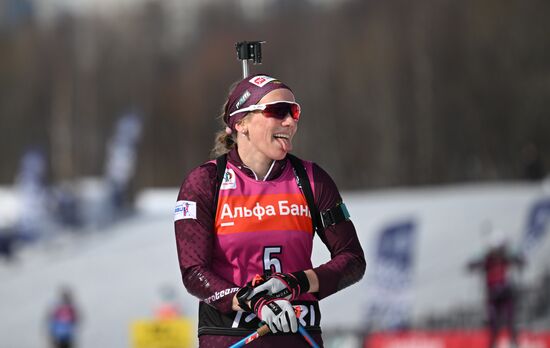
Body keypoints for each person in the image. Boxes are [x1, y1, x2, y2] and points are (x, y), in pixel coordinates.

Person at [174, 73, 366, 347]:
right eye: (277, 111)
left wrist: (295, 282)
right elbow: (194, 271)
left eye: (294, 111)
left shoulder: (312, 180)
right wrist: (254, 301)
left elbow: (352, 260)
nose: (290, 121)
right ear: (241, 122)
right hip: (231, 337)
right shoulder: (205, 182)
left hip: (298, 335)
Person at [467, 227, 524, 348]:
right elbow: (470, 265)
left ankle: (514, 343)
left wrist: (516, 258)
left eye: (501, 249)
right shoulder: (486, 259)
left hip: (506, 293)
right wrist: (478, 262)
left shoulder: (506, 257)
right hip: (492, 296)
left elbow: (521, 260)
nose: (498, 253)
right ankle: (493, 345)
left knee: (511, 321)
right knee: (494, 325)